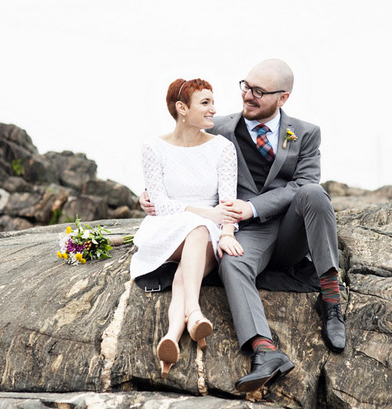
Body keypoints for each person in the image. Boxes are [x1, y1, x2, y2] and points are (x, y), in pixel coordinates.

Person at [140, 59, 345, 393]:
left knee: (314, 193)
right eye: (246, 87)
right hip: (249, 235)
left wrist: (252, 207)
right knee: (230, 262)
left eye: (259, 92)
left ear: (283, 98)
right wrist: (148, 197)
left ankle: (331, 301)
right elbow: (177, 151)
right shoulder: (218, 128)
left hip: (293, 229)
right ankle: (265, 351)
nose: (248, 96)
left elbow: (303, 183)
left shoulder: (306, 133)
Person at [131, 77, 244, 379]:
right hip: (166, 228)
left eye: (212, 102)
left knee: (191, 255)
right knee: (197, 227)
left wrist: (229, 232)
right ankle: (193, 311)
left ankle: (171, 335)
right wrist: (207, 213)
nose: (213, 110)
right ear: (182, 108)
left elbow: (228, 202)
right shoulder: (153, 147)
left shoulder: (223, 148)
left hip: (208, 232)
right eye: (205, 103)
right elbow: (161, 203)